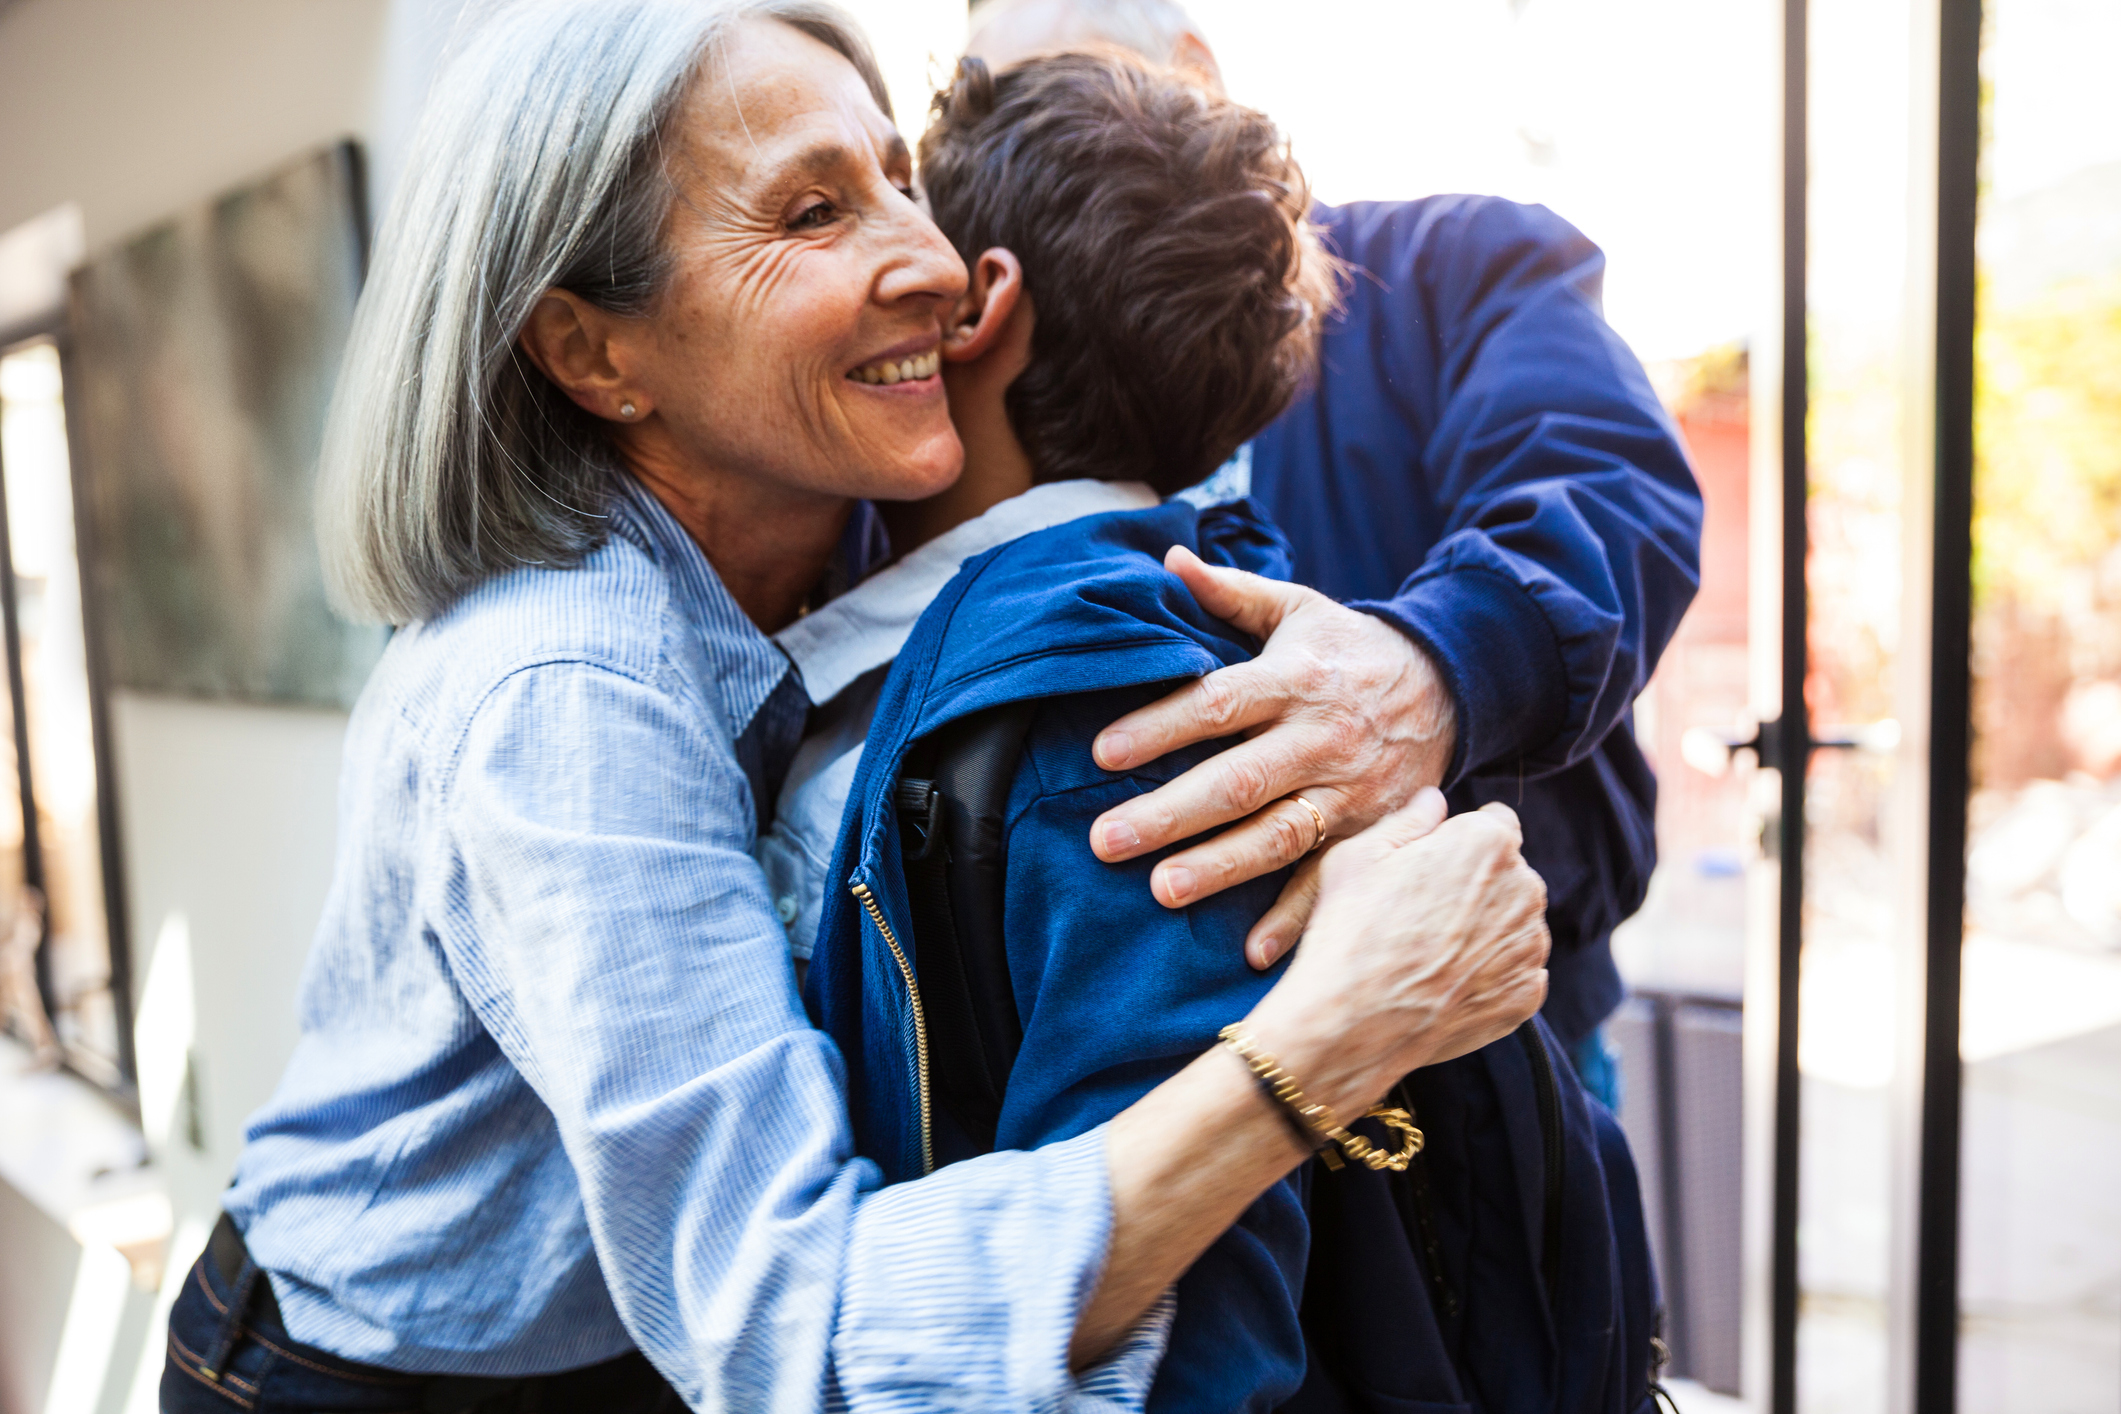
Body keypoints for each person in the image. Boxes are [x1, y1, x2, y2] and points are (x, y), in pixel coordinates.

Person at [159, 3, 1552, 1411]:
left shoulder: (861, 523)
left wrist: (1387, 664)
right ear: (592, 355)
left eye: (903, 179)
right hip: (377, 1375)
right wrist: (1328, 1042)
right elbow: (786, 1322)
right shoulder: (567, 698)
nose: (937, 263)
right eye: (815, 210)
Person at [777, 52, 1654, 1413]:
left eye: (909, 232)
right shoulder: (1099, 628)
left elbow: (1204, 1323)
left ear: (978, 308)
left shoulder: (1100, 724)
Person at [963, 0, 1704, 1098]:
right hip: (1167, 1081)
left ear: (1195, 75)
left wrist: (1436, 671)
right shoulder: (989, 367)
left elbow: (1605, 484)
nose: (1026, 167)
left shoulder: (1459, 265)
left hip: (1500, 1049)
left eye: (1061, 102)